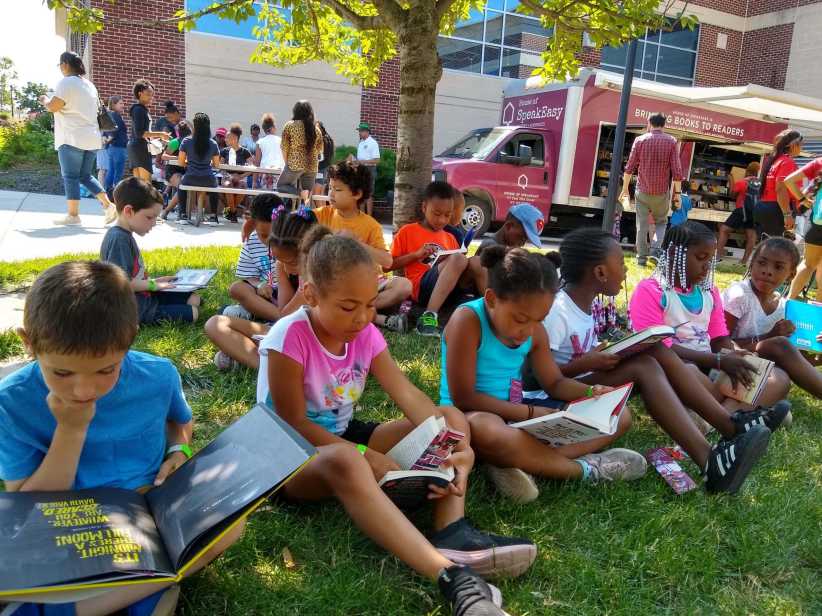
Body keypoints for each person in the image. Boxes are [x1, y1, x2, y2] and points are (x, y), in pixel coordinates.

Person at [256, 228, 536, 615]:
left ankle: (451, 530)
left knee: (451, 417)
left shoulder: (366, 333)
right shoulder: (290, 336)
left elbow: (407, 395)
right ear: (311, 295)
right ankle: (452, 578)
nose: (362, 318)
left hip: (340, 433)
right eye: (348, 306)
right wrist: (364, 456)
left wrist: (458, 446)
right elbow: (294, 424)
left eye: (370, 305)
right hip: (287, 455)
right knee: (348, 460)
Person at [0, 260, 243, 616]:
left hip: (145, 515)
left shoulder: (158, 376)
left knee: (230, 524)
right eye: (62, 372)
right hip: (64, 525)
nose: (84, 389)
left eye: (106, 370)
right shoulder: (11, 402)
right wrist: (71, 429)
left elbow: (178, 422)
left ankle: (63, 608)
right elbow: (27, 504)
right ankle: (150, 580)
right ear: (29, 344)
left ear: (130, 340)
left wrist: (179, 448)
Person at [515, 228, 779, 499]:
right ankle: (717, 450)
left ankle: (729, 430)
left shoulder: (584, 306)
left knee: (655, 352)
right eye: (620, 262)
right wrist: (588, 362)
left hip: (576, 386)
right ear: (600, 273)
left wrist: (603, 354)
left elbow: (574, 358)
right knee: (645, 366)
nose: (626, 270)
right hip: (548, 398)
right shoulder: (557, 312)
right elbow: (536, 379)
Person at [442, 246, 649, 498]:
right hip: (468, 417)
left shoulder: (534, 328)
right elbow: (463, 397)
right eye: (520, 319)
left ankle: (517, 461)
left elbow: (554, 382)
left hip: (514, 412)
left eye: (539, 320)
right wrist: (528, 412)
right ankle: (585, 469)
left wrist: (590, 392)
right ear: (492, 299)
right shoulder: (468, 320)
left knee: (619, 414)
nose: (529, 330)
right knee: (489, 430)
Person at [629, 221, 792, 417]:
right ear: (673, 254)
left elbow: (719, 338)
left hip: (710, 366)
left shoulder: (709, 292)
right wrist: (719, 361)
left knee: (778, 379)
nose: (707, 267)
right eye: (700, 258)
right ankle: (743, 411)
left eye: (710, 260)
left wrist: (736, 359)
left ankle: (718, 420)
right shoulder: (650, 291)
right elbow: (659, 349)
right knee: (689, 372)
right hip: (673, 371)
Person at [208, 205, 318, 371]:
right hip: (287, 332)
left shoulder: (318, 274)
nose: (287, 268)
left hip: (311, 342)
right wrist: (282, 270)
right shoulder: (283, 266)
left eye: (292, 262)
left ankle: (268, 365)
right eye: (281, 260)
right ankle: (267, 365)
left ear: (311, 252)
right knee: (214, 324)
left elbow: (288, 321)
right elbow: (283, 315)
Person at [318, 160, 412, 333]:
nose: (331, 193)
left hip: (368, 283)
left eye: (337, 189)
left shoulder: (371, 225)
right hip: (336, 283)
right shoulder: (321, 216)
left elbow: (387, 261)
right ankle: (375, 317)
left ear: (357, 194)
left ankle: (354, 311)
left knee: (404, 285)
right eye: (330, 187)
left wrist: (356, 243)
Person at [723, 237, 822, 398]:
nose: (767, 271)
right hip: (729, 363)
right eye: (762, 263)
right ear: (751, 263)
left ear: (791, 275)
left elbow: (792, 361)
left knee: (782, 348)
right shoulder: (739, 295)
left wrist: (817, 352)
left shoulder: (784, 308)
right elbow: (720, 346)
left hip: (760, 368)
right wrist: (770, 337)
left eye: (778, 267)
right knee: (779, 344)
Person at [389, 182, 487, 337]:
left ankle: (492, 312)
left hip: (448, 289)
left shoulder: (449, 237)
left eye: (447, 215)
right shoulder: (408, 231)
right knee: (458, 259)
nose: (441, 220)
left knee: (476, 261)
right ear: (424, 208)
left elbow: (458, 265)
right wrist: (415, 255)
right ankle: (429, 316)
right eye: (436, 213)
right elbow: (388, 265)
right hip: (421, 288)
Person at [100, 177, 201, 324]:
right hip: (134, 309)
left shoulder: (125, 235)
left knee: (194, 298)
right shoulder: (118, 239)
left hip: (144, 296)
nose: (154, 223)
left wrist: (155, 281)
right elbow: (121, 284)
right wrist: (153, 284)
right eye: (150, 217)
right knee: (193, 313)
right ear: (129, 211)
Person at [39, 51, 117, 226]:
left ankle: (73, 215)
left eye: (60, 65)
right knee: (85, 176)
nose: (60, 68)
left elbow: (53, 106)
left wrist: (45, 99)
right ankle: (109, 205)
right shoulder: (89, 85)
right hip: (92, 138)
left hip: (72, 137)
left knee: (71, 176)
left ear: (65, 64)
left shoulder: (66, 83)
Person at [619, 112, 684, 266]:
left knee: (641, 225)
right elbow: (677, 172)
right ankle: (655, 251)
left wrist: (625, 188)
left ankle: (641, 260)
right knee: (661, 223)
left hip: (642, 191)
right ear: (664, 124)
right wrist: (677, 194)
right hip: (661, 193)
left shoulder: (640, 140)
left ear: (649, 123)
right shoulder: (672, 141)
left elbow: (629, 167)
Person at [223, 194, 282, 323]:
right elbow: (249, 277)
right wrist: (260, 285)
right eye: (264, 235)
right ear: (253, 224)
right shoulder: (252, 240)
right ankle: (275, 316)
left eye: (274, 233)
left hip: (289, 294)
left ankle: (270, 316)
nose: (270, 240)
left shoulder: (290, 239)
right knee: (237, 288)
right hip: (264, 296)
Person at [784, 156, 822, 300]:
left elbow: (788, 181)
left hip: (817, 223)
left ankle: (788, 302)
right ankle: (818, 314)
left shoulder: (819, 162)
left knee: (808, 264)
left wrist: (802, 199)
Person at [755, 129, 803, 238]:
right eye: (801, 145)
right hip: (778, 209)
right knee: (778, 249)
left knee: (767, 246)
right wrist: (787, 214)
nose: (802, 148)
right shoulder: (787, 162)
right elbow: (781, 189)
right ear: (793, 145)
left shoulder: (773, 161)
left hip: (764, 206)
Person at [177, 112, 221, 223]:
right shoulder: (213, 143)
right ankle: (213, 216)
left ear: (195, 126)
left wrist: (189, 161)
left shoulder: (186, 141)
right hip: (208, 179)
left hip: (190, 178)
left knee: (180, 184)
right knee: (215, 187)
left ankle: (183, 214)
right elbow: (216, 165)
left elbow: (180, 163)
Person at [278, 101, 324, 202]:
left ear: (295, 111)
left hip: (295, 164)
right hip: (312, 165)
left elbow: (284, 147)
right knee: (307, 198)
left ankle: (300, 193)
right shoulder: (317, 130)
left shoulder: (290, 126)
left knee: (281, 186)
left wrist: (287, 164)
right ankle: (305, 215)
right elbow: (320, 150)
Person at [716, 161, 760, 264]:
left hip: (741, 210)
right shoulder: (760, 184)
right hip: (756, 212)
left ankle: (717, 256)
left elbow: (732, 195)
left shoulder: (743, 182)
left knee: (724, 229)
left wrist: (731, 180)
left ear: (747, 171)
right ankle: (744, 261)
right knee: (751, 236)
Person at [128, 79, 171, 182]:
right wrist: (161, 134)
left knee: (138, 185)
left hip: (136, 147)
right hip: (139, 148)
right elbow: (140, 133)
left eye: (152, 94)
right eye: (148, 94)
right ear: (140, 93)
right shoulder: (139, 109)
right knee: (145, 184)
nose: (151, 97)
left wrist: (158, 139)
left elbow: (143, 133)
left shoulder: (139, 109)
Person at [477, 203, 544, 253]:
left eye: (526, 240)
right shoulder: (491, 248)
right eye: (522, 237)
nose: (523, 244)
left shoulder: (504, 249)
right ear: (508, 226)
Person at [220, 123, 254, 222]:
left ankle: (230, 211)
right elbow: (221, 168)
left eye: (227, 138)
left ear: (234, 138)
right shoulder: (224, 151)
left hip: (240, 178)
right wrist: (229, 176)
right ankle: (233, 213)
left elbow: (252, 167)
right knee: (228, 185)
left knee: (243, 186)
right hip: (227, 178)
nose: (225, 139)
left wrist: (240, 176)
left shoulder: (245, 152)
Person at [104, 95, 128, 193]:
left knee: (111, 171)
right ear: (114, 104)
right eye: (121, 103)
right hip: (118, 147)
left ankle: (108, 193)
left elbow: (106, 131)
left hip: (111, 148)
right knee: (118, 173)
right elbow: (113, 131)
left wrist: (108, 140)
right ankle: (116, 195)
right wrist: (111, 138)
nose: (123, 105)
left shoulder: (108, 114)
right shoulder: (115, 115)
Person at [253, 113, 285, 188]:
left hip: (265, 173)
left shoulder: (260, 142)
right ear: (272, 127)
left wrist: (254, 181)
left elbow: (257, 163)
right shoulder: (282, 141)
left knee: (266, 198)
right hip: (279, 173)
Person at [355, 122, 380, 215]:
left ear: (366, 131)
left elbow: (377, 160)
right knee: (361, 193)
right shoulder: (361, 143)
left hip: (369, 170)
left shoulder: (373, 143)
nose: (359, 133)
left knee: (368, 194)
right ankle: (362, 216)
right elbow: (360, 159)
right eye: (359, 131)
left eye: (361, 131)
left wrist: (362, 162)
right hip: (361, 170)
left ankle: (369, 217)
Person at [314, 121, 334, 195]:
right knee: (320, 194)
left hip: (320, 169)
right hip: (325, 169)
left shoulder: (322, 140)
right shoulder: (328, 139)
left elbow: (320, 157)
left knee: (316, 194)